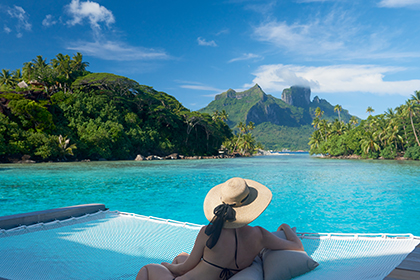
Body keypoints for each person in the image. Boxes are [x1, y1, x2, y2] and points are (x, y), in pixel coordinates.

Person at [136, 177, 304, 280]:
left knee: (148, 268)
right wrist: (286, 228)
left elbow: (184, 269)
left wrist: (167, 267)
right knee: (181, 256)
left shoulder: (208, 231)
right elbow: (297, 247)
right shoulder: (259, 235)